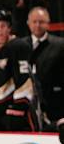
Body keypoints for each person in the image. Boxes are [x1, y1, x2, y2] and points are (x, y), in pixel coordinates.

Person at [0, 9, 35, 130]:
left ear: (9, 28)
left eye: (3, 26)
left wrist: (18, 107)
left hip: (11, 109)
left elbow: (24, 80)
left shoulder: (19, 46)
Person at [19, 7, 64, 135]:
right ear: (28, 23)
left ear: (48, 23)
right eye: (34, 21)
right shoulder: (19, 45)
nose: (37, 25)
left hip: (54, 105)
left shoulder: (60, 45)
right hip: (26, 106)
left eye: (41, 22)